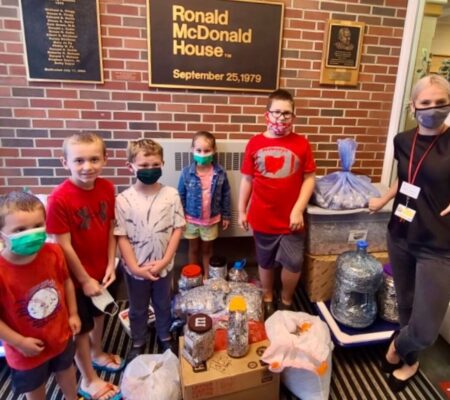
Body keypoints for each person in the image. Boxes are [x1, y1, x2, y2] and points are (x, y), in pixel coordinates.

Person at [369, 74, 450, 392]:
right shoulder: (403, 140)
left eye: (440, 103)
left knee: (426, 328)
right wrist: (383, 199)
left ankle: (396, 348)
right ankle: (410, 362)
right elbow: (405, 179)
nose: (433, 109)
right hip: (400, 234)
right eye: (426, 103)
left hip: (439, 244)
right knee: (405, 305)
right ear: (413, 106)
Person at [46, 133, 122, 400]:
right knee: (82, 328)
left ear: (105, 159)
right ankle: (88, 380)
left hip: (103, 270)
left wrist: (112, 262)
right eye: (78, 160)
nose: (87, 166)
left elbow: (112, 226)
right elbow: (63, 245)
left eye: (93, 159)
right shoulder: (59, 199)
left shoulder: (107, 188)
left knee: (100, 314)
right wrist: (85, 279)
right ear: (64, 162)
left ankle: (98, 352)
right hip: (76, 278)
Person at [238, 89, 316, 319]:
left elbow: (309, 178)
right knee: (265, 260)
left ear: (294, 116)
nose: (281, 119)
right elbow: (247, 179)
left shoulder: (302, 143)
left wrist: (298, 209)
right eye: (277, 113)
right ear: (266, 114)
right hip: (262, 216)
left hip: (292, 218)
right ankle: (268, 296)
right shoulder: (254, 143)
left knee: (293, 262)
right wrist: (242, 210)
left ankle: (287, 300)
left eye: (286, 114)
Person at [0, 191, 80, 400]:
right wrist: (18, 342)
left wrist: (73, 314)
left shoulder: (53, 252)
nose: (32, 233)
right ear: (2, 235)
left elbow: (66, 281)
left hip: (60, 335)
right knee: (35, 388)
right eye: (20, 229)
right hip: (25, 350)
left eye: (37, 226)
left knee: (67, 371)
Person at [115, 139, 185, 361]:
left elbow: (177, 229)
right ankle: (138, 340)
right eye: (143, 165)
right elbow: (121, 235)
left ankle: (165, 336)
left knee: (164, 303)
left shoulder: (171, 195)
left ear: (162, 163)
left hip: (163, 266)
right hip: (135, 268)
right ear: (131, 167)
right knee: (137, 307)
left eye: (154, 164)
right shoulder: (123, 199)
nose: (149, 170)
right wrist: (135, 267)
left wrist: (164, 261)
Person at [178, 131, 231, 278]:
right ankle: (194, 275)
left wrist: (226, 215)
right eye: (199, 150)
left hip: (211, 220)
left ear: (213, 151)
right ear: (192, 150)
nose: (202, 154)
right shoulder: (186, 172)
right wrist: (179, 216)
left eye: (207, 150)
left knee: (208, 249)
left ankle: (207, 277)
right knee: (193, 248)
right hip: (190, 219)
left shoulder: (220, 173)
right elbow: (180, 195)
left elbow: (226, 194)